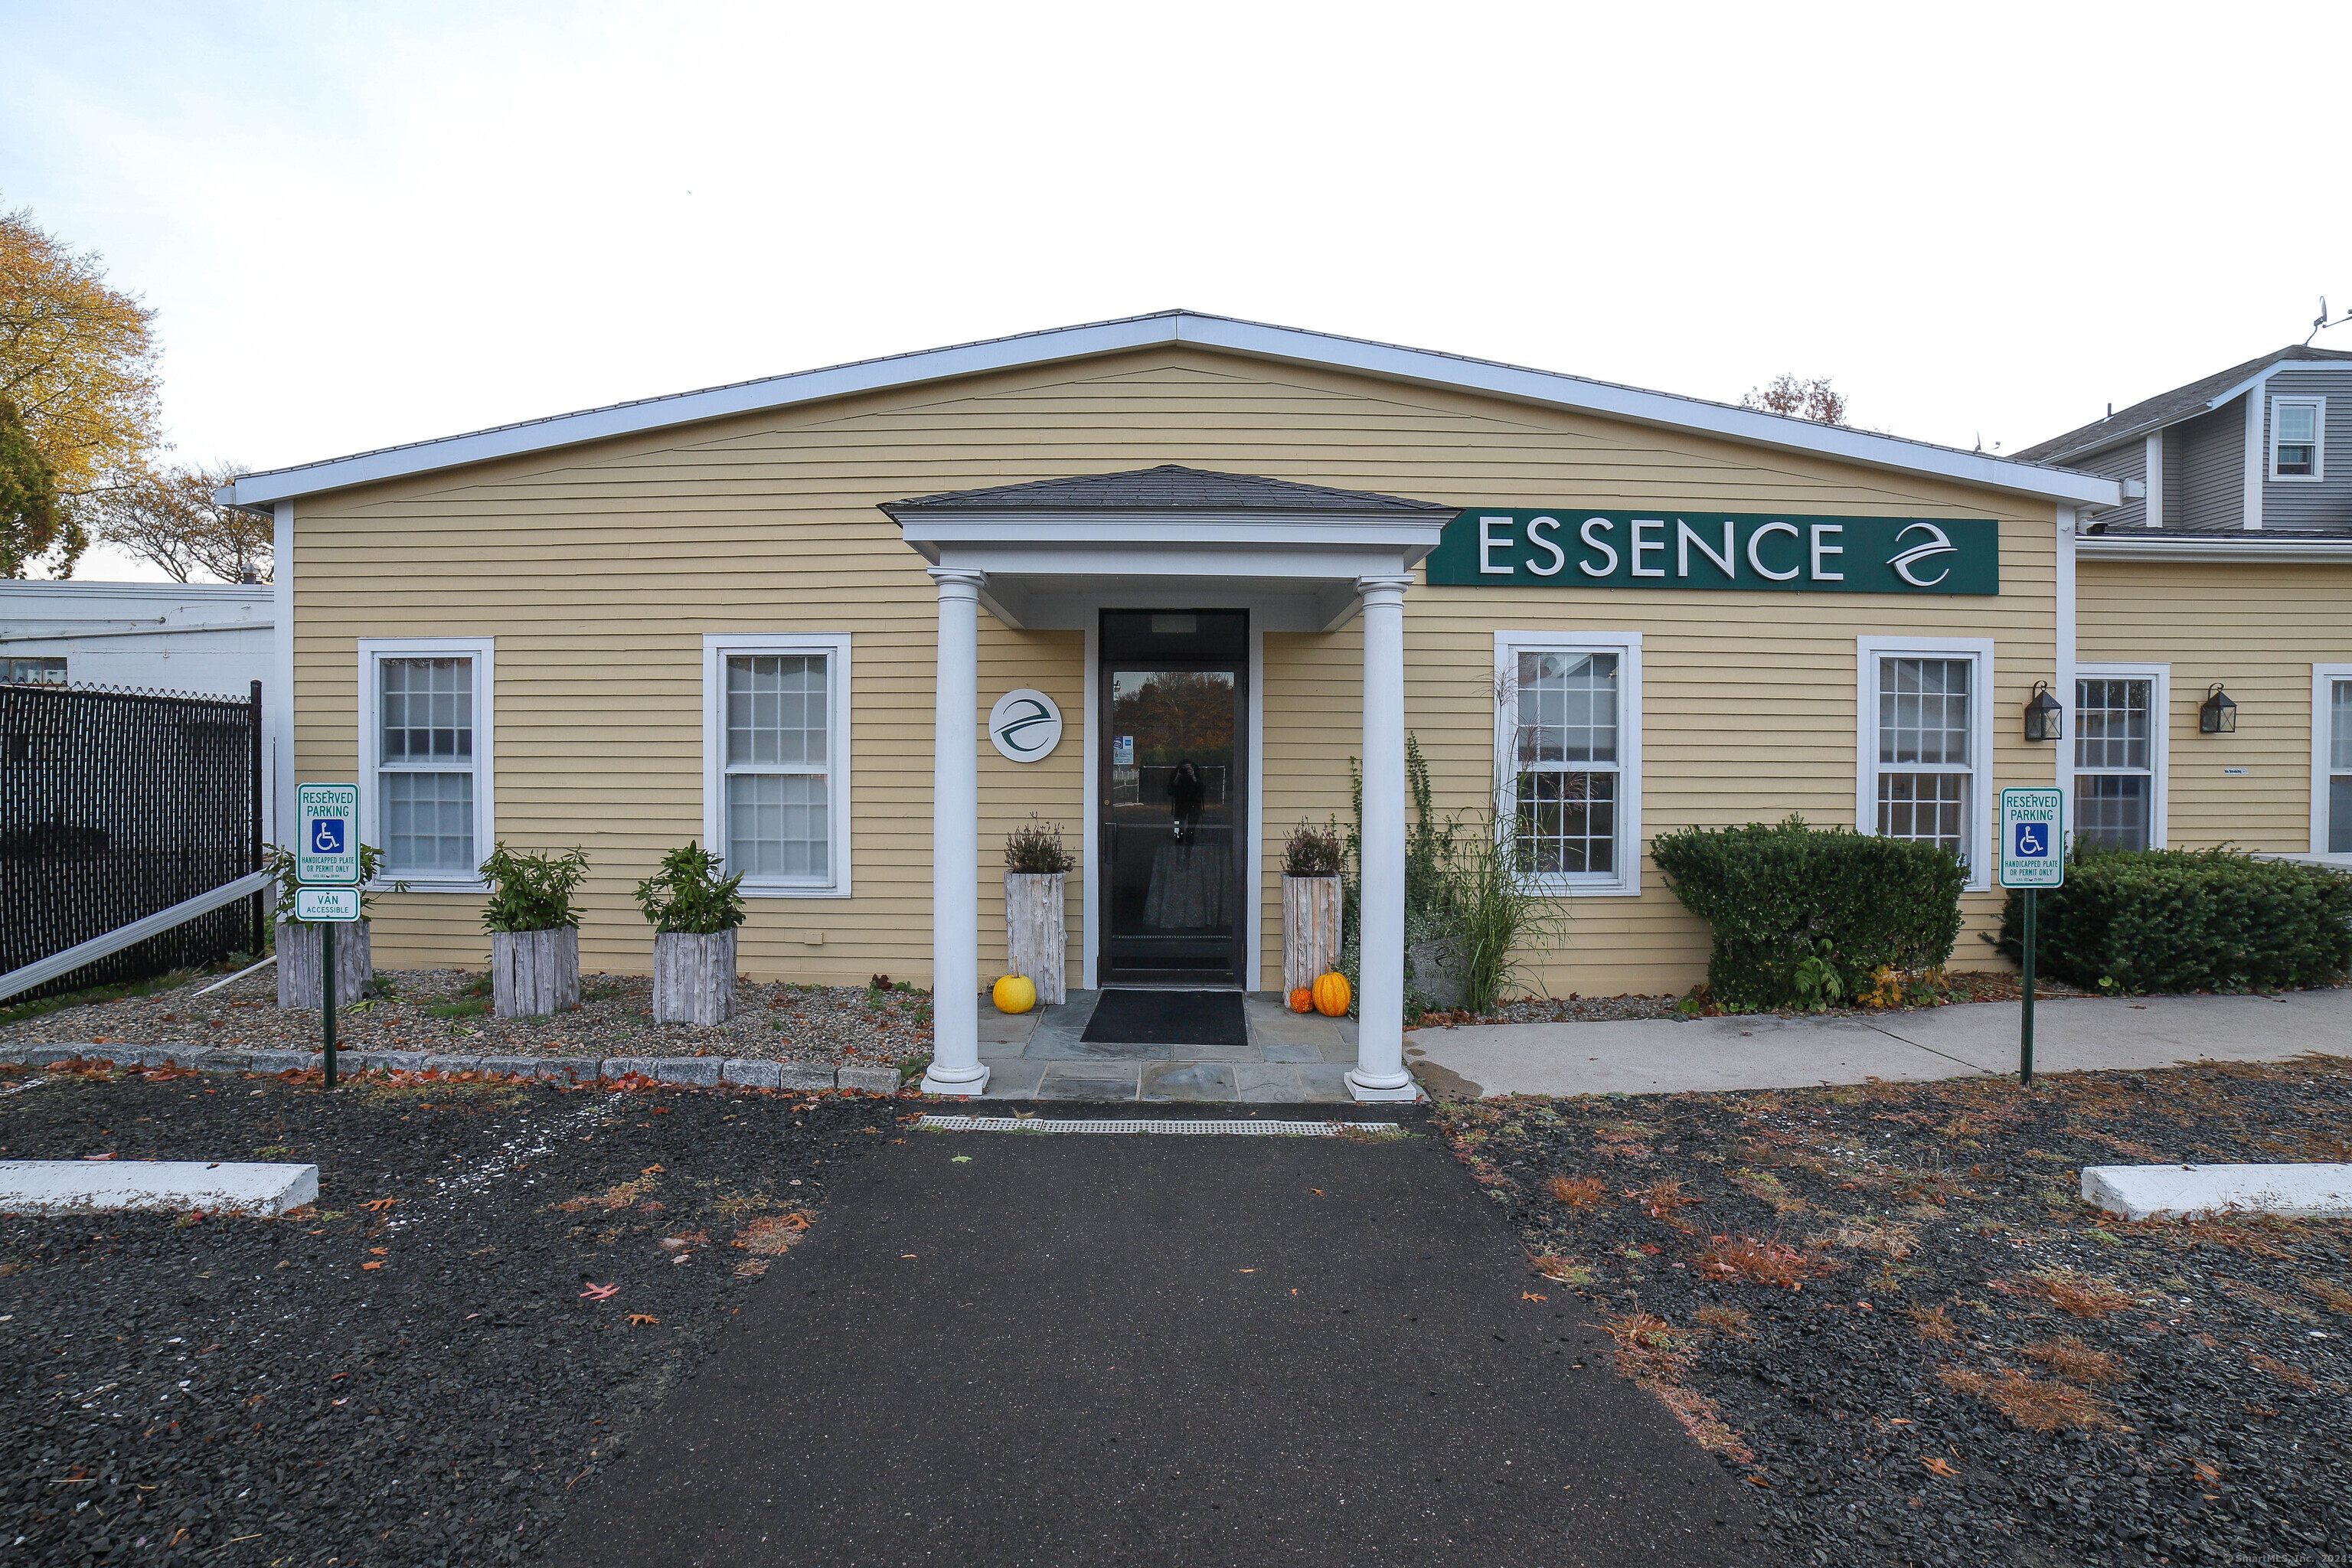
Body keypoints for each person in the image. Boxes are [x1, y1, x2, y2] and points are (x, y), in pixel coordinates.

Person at [1168, 760, 1205, 843]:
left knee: (1191, 828)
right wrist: (1177, 777)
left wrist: (1194, 777)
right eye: (1184, 769)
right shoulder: (1177, 776)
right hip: (1180, 803)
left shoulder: (1196, 776)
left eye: (1188, 769)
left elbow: (1202, 790)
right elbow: (1170, 791)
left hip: (1194, 803)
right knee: (1179, 827)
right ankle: (1179, 841)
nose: (1186, 771)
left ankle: (1189, 842)